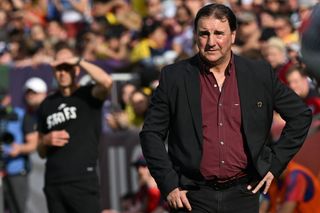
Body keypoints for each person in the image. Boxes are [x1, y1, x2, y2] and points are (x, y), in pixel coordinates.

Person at [139, 3, 312, 213]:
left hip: (244, 193)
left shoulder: (258, 74)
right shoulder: (174, 77)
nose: (211, 42)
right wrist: (169, 184)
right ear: (195, 36)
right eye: (204, 34)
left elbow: (300, 115)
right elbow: (150, 133)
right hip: (191, 197)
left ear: (232, 35)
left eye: (219, 33)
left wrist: (274, 165)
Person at [37, 42, 113, 213]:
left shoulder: (88, 94)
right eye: (58, 68)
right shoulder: (46, 104)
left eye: (67, 67)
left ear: (76, 70)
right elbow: (40, 150)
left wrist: (79, 60)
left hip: (82, 180)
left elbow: (107, 81)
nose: (63, 72)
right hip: (53, 183)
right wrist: (45, 141)